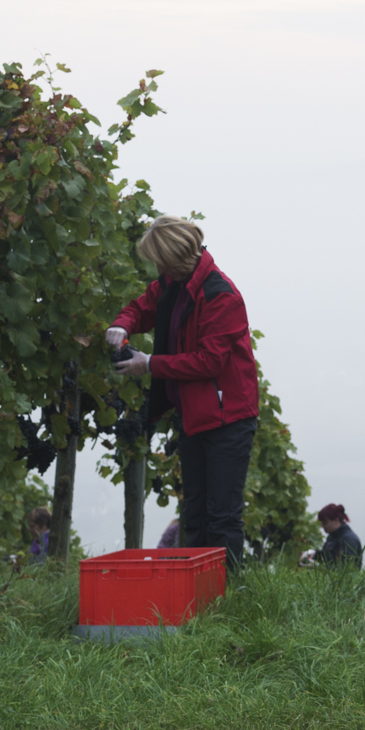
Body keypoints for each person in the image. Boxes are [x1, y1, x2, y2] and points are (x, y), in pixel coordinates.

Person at [106, 217, 260, 569]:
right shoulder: (173, 283)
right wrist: (121, 324)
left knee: (221, 516)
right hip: (193, 414)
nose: (155, 267)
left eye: (158, 259)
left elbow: (209, 362)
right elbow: (143, 307)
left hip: (228, 418)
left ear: (172, 257)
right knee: (194, 513)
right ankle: (199, 592)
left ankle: (228, 595)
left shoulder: (221, 295)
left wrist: (150, 364)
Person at [300, 502, 364, 567]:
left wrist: (319, 567)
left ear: (336, 520)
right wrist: (315, 554)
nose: (322, 526)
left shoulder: (348, 539)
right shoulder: (332, 536)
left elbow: (346, 569)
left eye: (325, 523)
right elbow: (327, 558)